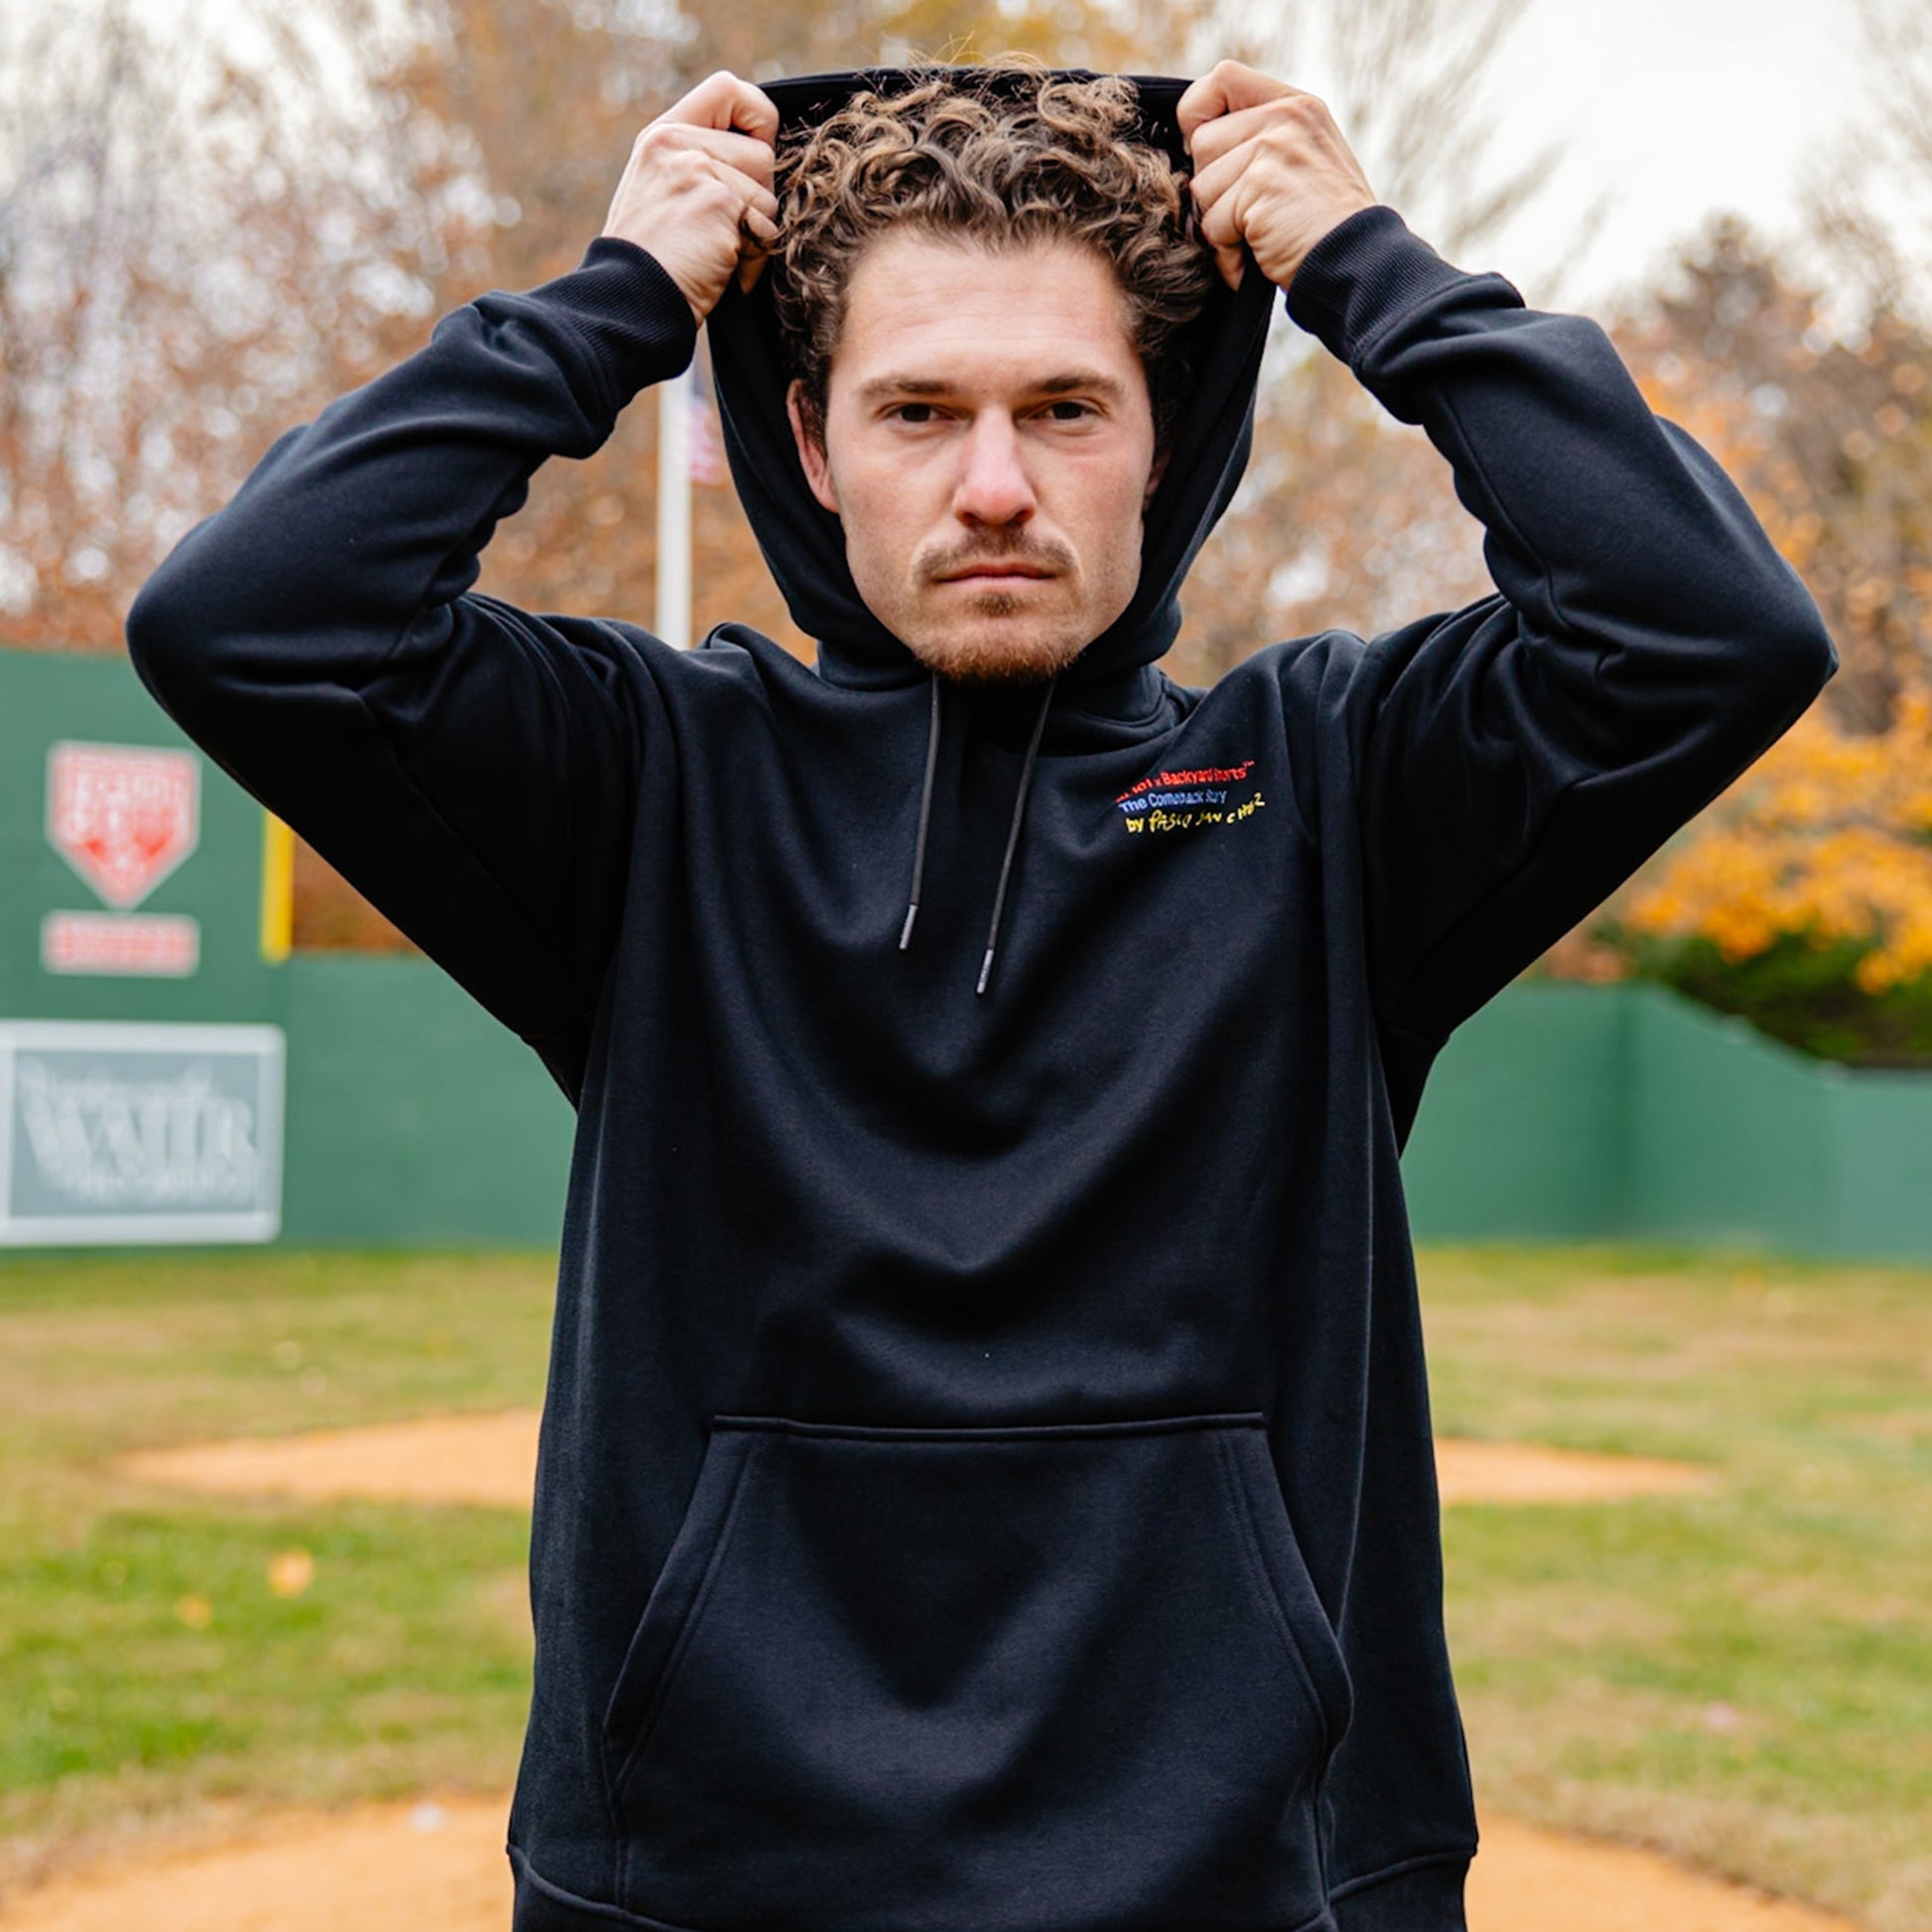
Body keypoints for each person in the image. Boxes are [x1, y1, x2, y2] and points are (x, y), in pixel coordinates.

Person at [124, 58, 1835, 1932]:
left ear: (1162, 436)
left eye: (1066, 409)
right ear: (807, 435)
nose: (995, 486)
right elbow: (248, 619)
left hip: (1254, 1871)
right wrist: (613, 302)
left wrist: (1364, 266)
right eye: (919, 410)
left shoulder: (1340, 789)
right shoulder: (643, 782)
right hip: (709, 1868)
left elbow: (1708, 631)